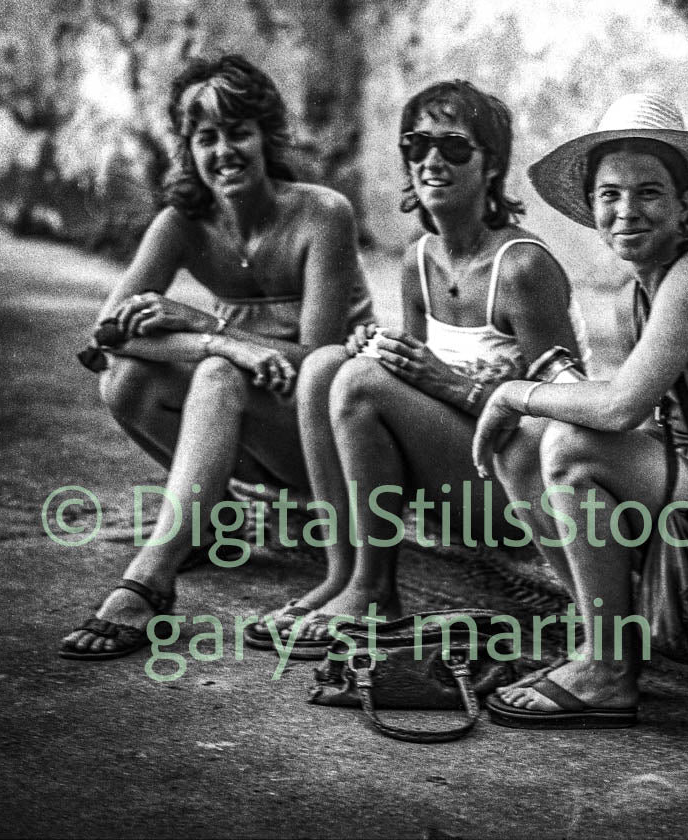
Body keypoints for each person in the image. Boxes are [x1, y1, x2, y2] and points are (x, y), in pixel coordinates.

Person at [473, 90, 688, 728]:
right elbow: (631, 413)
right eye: (609, 194)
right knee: (526, 445)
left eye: (649, 192)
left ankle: (608, 672)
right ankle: (601, 641)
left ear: (685, 206)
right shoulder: (638, 293)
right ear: (591, 207)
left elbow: (621, 408)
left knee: (568, 445)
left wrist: (513, 390)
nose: (625, 210)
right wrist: (535, 399)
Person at [245, 79, 589, 652]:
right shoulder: (419, 260)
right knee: (328, 367)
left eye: (454, 147)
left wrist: (442, 380)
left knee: (357, 382)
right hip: (451, 483)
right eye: (416, 144)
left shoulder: (522, 268)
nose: (432, 160)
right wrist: (384, 353)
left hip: (520, 498)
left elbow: (565, 424)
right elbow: (411, 386)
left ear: (491, 166)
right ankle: (344, 575)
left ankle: (375, 591)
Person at [60, 54, 373, 660]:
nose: (224, 151)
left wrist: (208, 327)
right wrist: (219, 340)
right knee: (127, 378)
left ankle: (151, 574)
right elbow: (106, 335)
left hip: (328, 435)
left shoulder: (322, 214)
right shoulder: (183, 222)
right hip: (255, 415)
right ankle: (210, 517)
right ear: (188, 149)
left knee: (218, 376)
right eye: (206, 137)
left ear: (266, 138)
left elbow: (318, 359)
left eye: (238, 132)